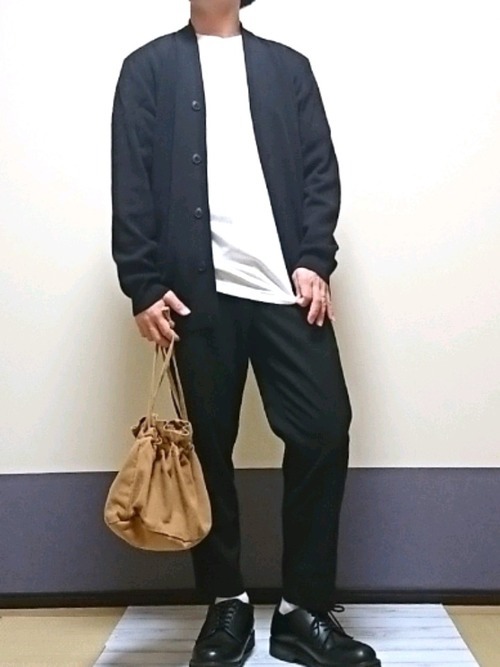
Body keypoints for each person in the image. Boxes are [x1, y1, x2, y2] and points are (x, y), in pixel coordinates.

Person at [111, 0, 380, 665]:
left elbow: (320, 172)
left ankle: (302, 610)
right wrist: (142, 282)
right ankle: (225, 601)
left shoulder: (288, 69)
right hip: (193, 295)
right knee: (206, 449)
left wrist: (314, 259)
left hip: (285, 289)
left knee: (323, 427)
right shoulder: (147, 69)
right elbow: (131, 180)